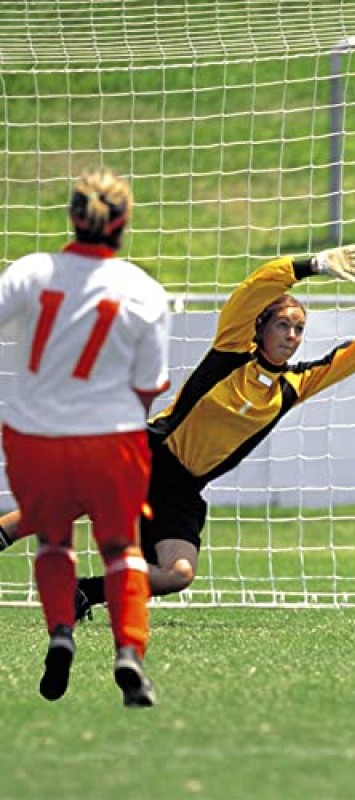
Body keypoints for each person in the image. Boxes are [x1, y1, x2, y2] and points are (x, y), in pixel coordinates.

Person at [0, 243, 355, 619]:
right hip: (150, 453)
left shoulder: (293, 386)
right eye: (283, 325)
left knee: (178, 574)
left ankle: (83, 594)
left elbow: (351, 357)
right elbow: (253, 290)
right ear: (260, 328)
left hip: (184, 488)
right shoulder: (232, 350)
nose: (292, 335)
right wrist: (313, 265)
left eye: (299, 329)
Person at [0, 167, 170, 707]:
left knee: (53, 542)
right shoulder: (144, 291)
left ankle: (60, 633)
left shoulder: (30, 273)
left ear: (73, 216)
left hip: (34, 437)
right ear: (123, 223)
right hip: (110, 438)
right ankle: (128, 652)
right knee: (122, 550)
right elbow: (149, 387)